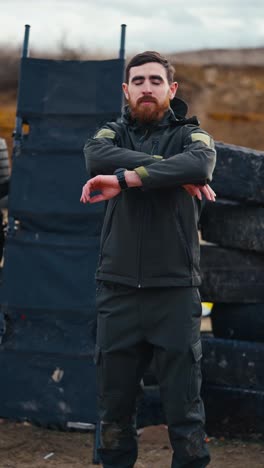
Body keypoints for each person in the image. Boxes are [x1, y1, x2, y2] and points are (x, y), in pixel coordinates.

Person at [81, 51, 216, 468]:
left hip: (174, 294)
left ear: (171, 89)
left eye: (155, 81)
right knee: (114, 412)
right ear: (126, 90)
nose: (146, 88)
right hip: (117, 293)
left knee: (185, 413)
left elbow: (200, 163)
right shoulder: (111, 132)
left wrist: (127, 179)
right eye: (137, 81)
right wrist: (167, 171)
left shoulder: (193, 136)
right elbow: (95, 157)